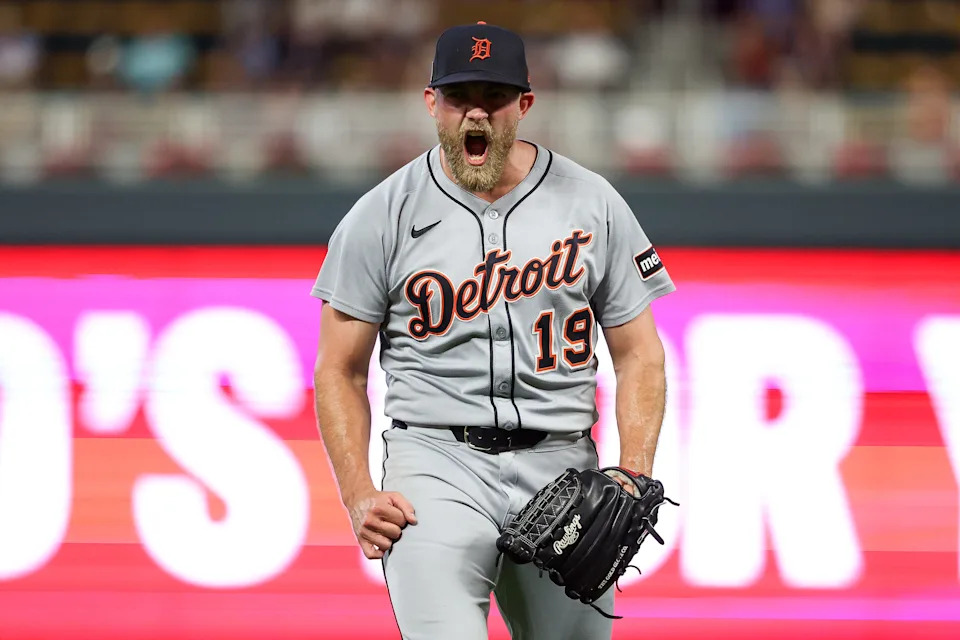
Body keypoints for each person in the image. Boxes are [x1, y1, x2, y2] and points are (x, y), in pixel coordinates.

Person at [311, 22, 675, 640]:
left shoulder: (593, 202)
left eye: (495, 96)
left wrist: (633, 473)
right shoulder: (381, 215)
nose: (475, 112)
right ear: (432, 103)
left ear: (524, 105)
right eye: (459, 97)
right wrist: (357, 493)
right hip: (435, 464)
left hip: (564, 466)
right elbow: (337, 368)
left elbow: (641, 354)